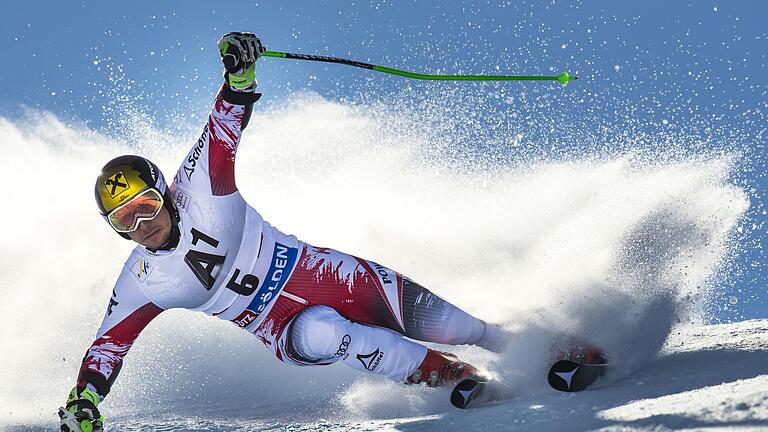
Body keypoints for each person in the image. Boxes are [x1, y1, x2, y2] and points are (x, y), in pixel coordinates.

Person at [59, 32, 511, 432]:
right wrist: (85, 398)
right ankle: (452, 375)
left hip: (316, 271)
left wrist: (239, 77)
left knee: (454, 324)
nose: (142, 226)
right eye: (124, 221)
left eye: (145, 207)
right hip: (278, 326)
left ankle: (522, 346)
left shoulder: (199, 186)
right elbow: (108, 346)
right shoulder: (141, 281)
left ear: (165, 194)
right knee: (322, 333)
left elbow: (222, 128)